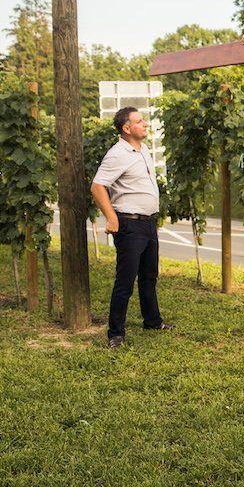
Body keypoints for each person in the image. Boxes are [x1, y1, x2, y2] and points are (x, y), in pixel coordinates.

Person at [91, 107, 174, 348]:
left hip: (148, 223)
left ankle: (152, 321)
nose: (145, 124)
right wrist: (111, 217)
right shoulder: (118, 154)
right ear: (126, 129)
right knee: (125, 281)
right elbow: (97, 186)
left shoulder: (143, 149)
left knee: (149, 276)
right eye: (139, 121)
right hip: (130, 224)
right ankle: (116, 333)